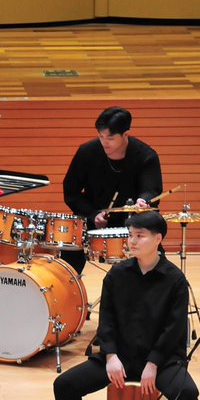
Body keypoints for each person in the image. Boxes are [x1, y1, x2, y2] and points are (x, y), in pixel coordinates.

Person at [47, 210, 197, 400]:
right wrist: (111, 356)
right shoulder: (117, 274)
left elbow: (174, 328)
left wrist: (153, 363)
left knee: (187, 394)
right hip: (121, 357)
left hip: (161, 360)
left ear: (158, 239)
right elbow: (107, 320)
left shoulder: (175, 280)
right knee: (65, 385)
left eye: (140, 236)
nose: (132, 241)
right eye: (130, 235)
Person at [61, 106, 162, 274]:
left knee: (154, 252)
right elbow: (71, 191)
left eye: (110, 138)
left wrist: (143, 201)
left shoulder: (145, 156)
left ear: (125, 134)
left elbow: (151, 189)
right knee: (68, 255)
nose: (104, 142)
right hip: (91, 216)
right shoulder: (87, 152)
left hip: (131, 220)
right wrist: (93, 214)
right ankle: (67, 285)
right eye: (101, 136)